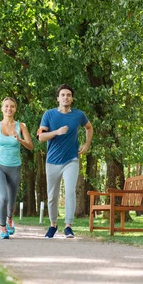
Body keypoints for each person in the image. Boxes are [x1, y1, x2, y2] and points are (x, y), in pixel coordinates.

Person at [38, 84, 93, 238]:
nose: (66, 97)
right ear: (58, 98)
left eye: (68, 95)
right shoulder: (48, 115)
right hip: (52, 161)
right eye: (63, 95)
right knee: (52, 195)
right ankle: (53, 225)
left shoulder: (79, 115)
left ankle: (68, 226)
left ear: (72, 98)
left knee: (70, 192)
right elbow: (41, 137)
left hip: (71, 160)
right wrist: (56, 132)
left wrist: (87, 144)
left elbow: (89, 127)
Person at [0, 97, 33, 239]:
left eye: (12, 106)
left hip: (14, 167)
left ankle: (10, 219)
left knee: (12, 200)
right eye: (6, 106)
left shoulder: (21, 126)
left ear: (15, 109)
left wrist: (20, 139)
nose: (9, 109)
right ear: (2, 108)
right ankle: (3, 228)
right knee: (3, 197)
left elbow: (30, 146)